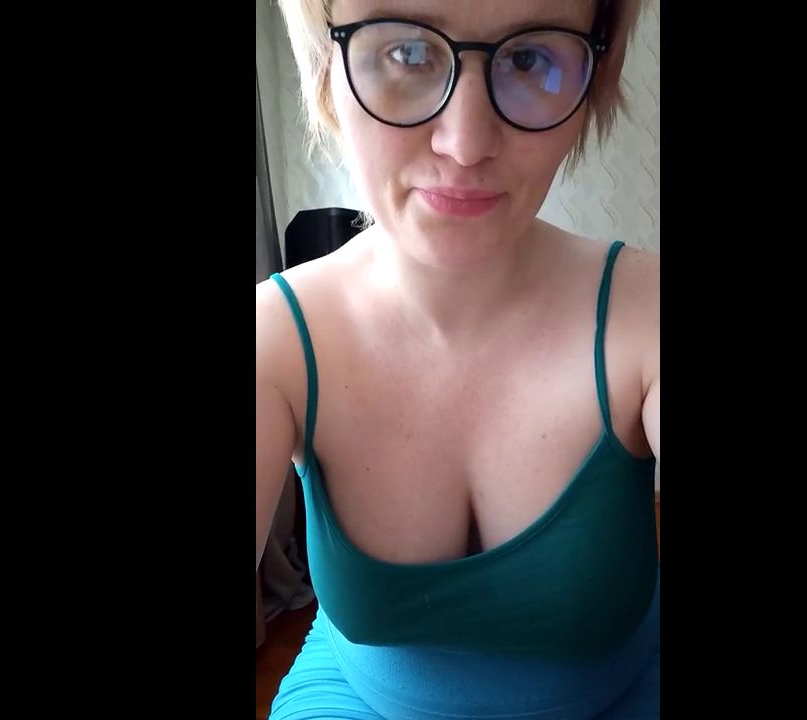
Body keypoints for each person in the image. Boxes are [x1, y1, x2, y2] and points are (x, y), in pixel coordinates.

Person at [256, 0, 659, 716]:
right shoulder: (275, 337)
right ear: (325, 66)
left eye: (530, 58)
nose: (466, 143)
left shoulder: (646, 312)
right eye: (406, 53)